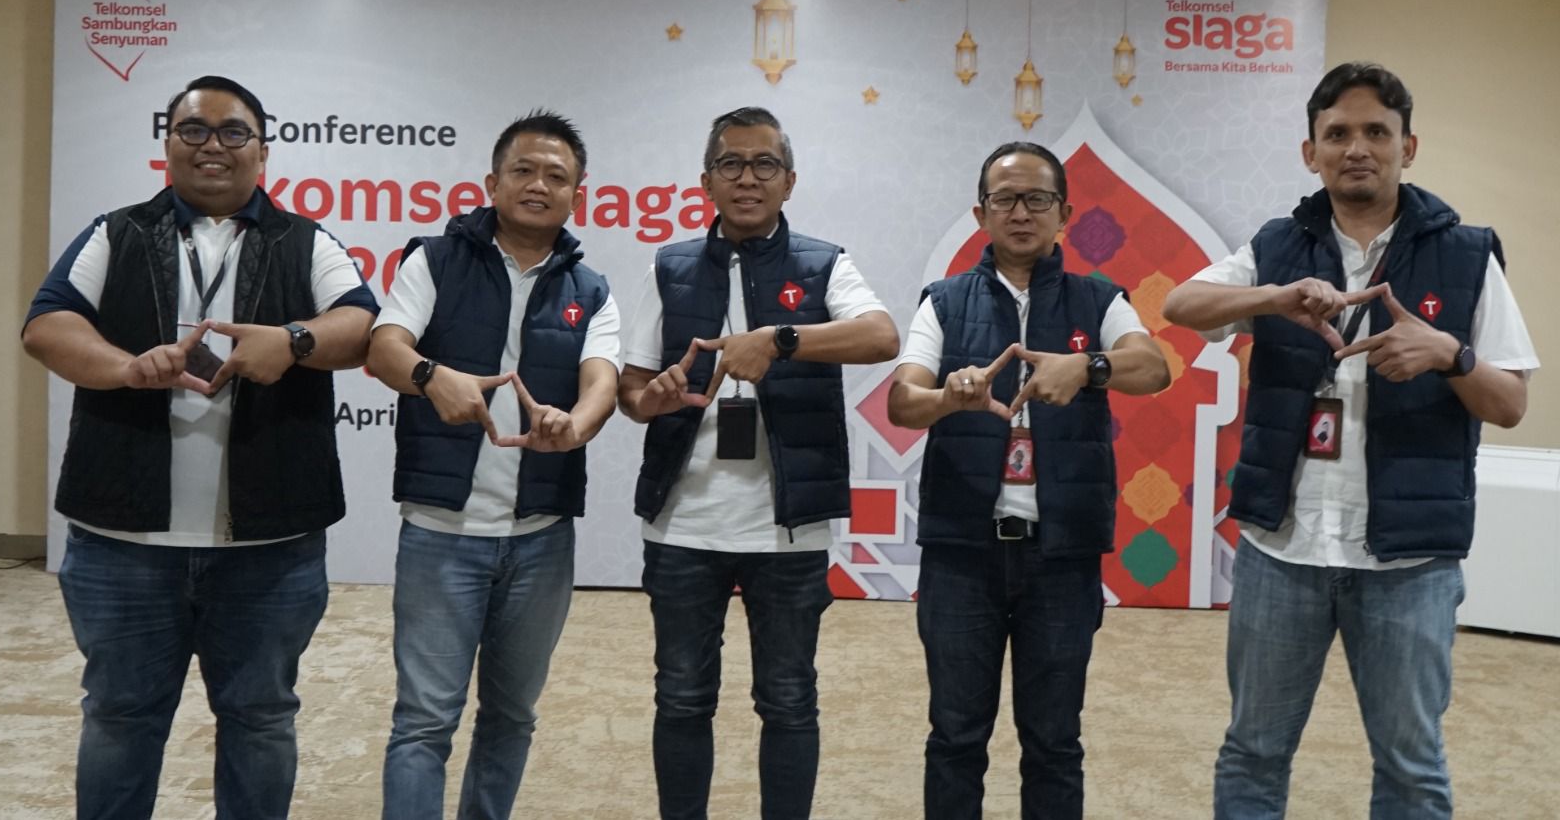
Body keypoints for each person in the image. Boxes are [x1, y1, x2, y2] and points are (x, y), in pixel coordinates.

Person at [1161, 62, 1539, 819]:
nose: (1356, 148)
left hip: (1409, 564)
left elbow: (1510, 405)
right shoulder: (1278, 245)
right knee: (1253, 752)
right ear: (1312, 153)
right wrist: (1274, 298)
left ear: (1409, 146)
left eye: (1376, 132)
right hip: (1282, 551)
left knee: (1411, 767)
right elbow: (1180, 303)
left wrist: (1450, 354)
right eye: (1337, 134)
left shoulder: (1467, 254)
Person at [22, 75, 378, 820]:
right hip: (122, 542)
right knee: (119, 719)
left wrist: (294, 340)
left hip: (269, 548)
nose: (213, 145)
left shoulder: (305, 240)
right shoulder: (115, 233)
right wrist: (127, 367)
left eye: (233, 131)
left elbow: (362, 327)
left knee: (261, 719)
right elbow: (48, 326)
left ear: (263, 151)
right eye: (193, 130)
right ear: (168, 145)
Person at [617, 106, 900, 820]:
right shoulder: (670, 266)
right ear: (706, 181)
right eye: (731, 164)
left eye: (764, 164)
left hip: (787, 530)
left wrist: (781, 340)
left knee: (789, 699)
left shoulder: (823, 263)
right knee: (681, 697)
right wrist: (651, 398)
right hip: (683, 524)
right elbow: (631, 390)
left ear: (789, 181)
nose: (748, 178)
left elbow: (881, 337)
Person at [887, 140, 1171, 819]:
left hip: (1061, 556)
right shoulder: (944, 302)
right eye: (1006, 199)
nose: (1021, 213)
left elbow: (1153, 367)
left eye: (1037, 199)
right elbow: (902, 402)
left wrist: (1089, 367)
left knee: (1054, 742)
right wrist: (949, 397)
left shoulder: (1098, 299)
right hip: (963, 553)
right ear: (980, 213)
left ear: (1064, 214)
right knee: (955, 737)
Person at [368, 110, 621, 820]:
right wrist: (429, 376)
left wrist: (575, 424)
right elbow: (384, 347)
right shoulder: (434, 260)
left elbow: (602, 382)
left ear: (577, 195)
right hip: (441, 535)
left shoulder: (591, 289)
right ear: (492, 182)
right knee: (424, 721)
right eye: (524, 170)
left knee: (512, 717)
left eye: (556, 176)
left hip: (541, 539)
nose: (539, 185)